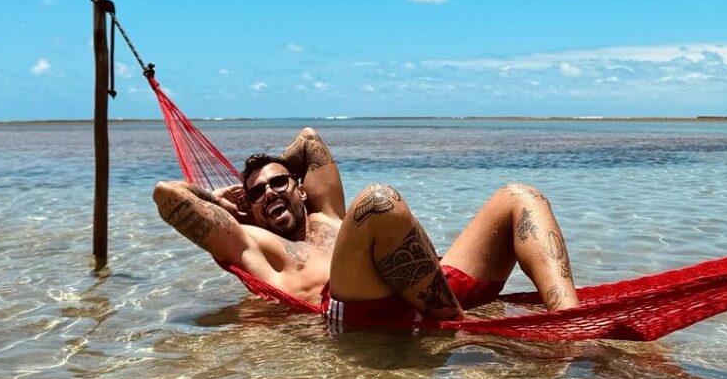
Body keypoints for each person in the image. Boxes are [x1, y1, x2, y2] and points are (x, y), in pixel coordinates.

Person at [152, 127, 580, 329]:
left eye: (278, 183)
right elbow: (167, 195)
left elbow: (309, 141)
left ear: (301, 189)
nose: (268, 194)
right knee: (378, 202)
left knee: (519, 196)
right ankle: (456, 330)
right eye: (257, 193)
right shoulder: (256, 244)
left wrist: (273, 171)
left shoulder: (328, 213)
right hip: (366, 307)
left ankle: (570, 321)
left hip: (432, 284)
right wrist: (219, 201)